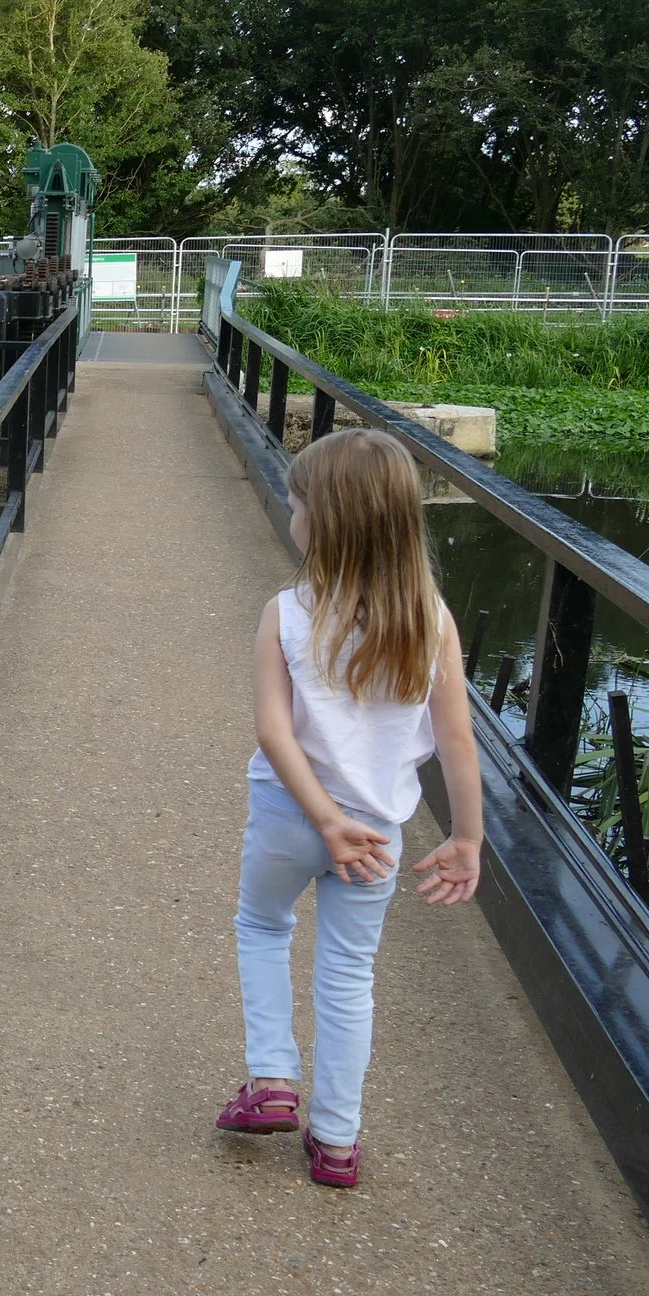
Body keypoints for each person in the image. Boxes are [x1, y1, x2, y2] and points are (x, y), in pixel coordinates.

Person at [213, 428, 484, 1188]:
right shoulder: (431, 621)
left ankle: (272, 1077)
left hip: (288, 814)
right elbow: (457, 741)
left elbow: (274, 732)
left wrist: (322, 820)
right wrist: (467, 837)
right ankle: (336, 1140)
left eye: (296, 503)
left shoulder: (286, 612)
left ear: (324, 523)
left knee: (263, 925)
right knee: (348, 973)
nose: (291, 514)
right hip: (377, 833)